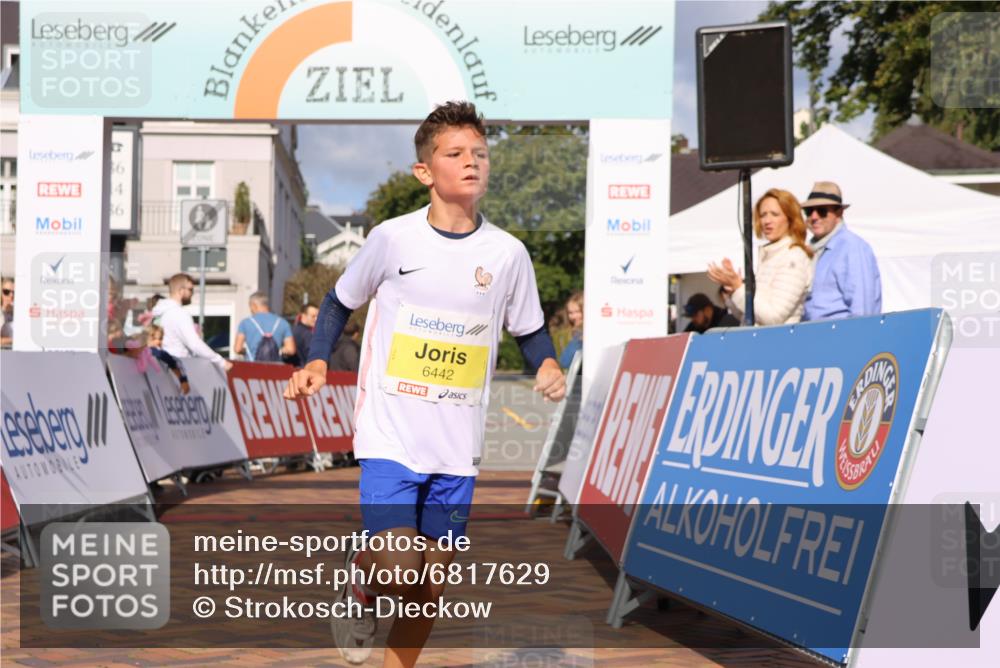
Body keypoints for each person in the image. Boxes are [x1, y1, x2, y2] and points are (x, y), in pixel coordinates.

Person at [284, 101, 566, 667]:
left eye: (480, 154)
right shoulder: (393, 239)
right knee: (397, 571)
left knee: (427, 590)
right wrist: (317, 360)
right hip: (391, 435)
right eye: (455, 153)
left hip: (457, 450)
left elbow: (530, 329)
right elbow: (339, 303)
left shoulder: (508, 254)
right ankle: (362, 580)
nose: (471, 163)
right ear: (424, 171)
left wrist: (548, 364)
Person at [708, 188, 814, 326]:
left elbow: (773, 317)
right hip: (757, 341)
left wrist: (738, 287)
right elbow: (746, 316)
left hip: (777, 343)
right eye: (763, 215)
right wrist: (732, 289)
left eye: (775, 214)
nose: (767, 221)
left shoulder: (793, 257)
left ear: (791, 218)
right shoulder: (770, 255)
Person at [800, 181, 882, 320]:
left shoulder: (852, 247)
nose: (814, 217)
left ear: (839, 213)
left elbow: (863, 309)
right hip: (815, 335)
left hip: (842, 335)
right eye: (809, 211)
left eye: (822, 211)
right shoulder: (810, 250)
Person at [151, 273, 232, 372]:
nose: (192, 293)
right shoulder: (179, 313)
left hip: (162, 368)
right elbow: (194, 344)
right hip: (178, 368)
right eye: (190, 289)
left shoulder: (160, 312)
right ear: (181, 291)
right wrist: (221, 362)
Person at [234, 292, 296, 363]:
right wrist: (280, 350)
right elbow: (291, 350)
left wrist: (248, 351)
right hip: (275, 368)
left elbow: (237, 349)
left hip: (252, 368)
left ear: (254, 305)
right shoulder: (282, 323)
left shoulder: (245, 323)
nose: (250, 309)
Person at [146, 324, 191, 394]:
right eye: (156, 339)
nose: (159, 342)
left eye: (161, 339)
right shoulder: (139, 349)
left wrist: (183, 380)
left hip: (158, 389)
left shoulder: (160, 353)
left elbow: (173, 363)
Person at [558, 290, 583, 369]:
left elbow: (565, 362)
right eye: (570, 313)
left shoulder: (580, 335)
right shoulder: (566, 334)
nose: (573, 316)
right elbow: (563, 362)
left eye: (577, 312)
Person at [292, 302, 319, 366]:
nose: (316, 319)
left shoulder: (292, 330)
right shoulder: (307, 334)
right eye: (313, 316)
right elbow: (312, 357)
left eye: (318, 316)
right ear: (303, 316)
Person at [1, 276, 14, 348]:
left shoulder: (20, 312)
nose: (11, 295)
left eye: (14, 292)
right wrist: (14, 340)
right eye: (6, 292)